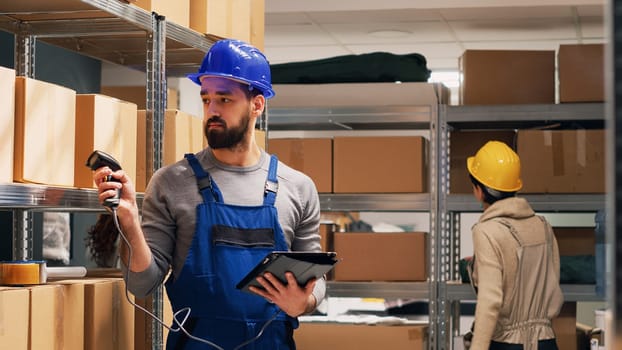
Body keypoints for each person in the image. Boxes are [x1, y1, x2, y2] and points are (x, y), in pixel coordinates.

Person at [92, 39, 324, 349]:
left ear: (257, 105)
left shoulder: (298, 187)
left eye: (224, 100)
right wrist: (131, 224)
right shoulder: (172, 183)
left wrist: (303, 303)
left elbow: (317, 279)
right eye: (206, 99)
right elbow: (142, 285)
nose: (211, 111)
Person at [466, 141, 563, 350]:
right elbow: (551, 286)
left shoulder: (486, 232)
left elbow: (490, 301)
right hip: (547, 342)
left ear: (479, 190)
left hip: (508, 345)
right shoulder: (543, 226)